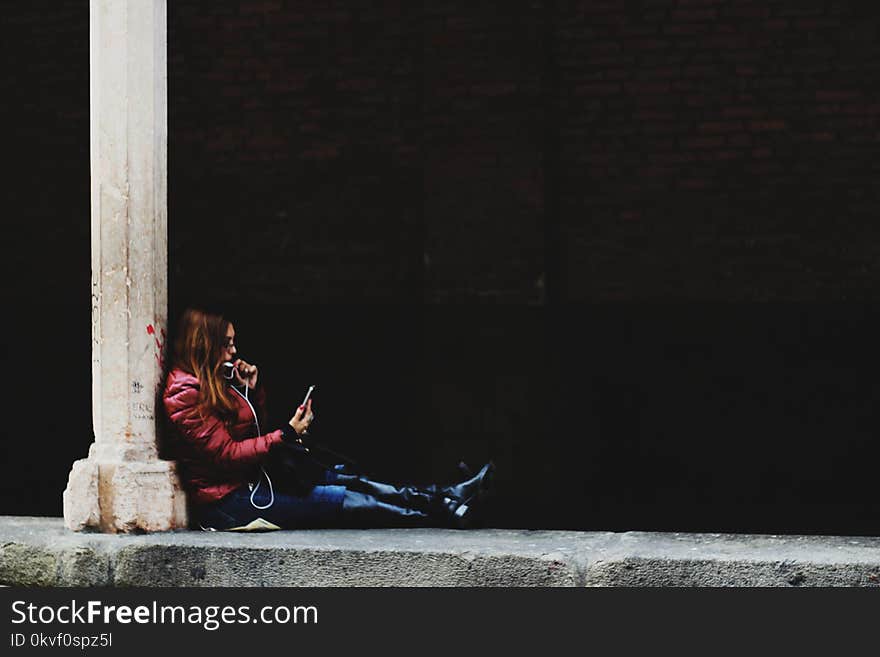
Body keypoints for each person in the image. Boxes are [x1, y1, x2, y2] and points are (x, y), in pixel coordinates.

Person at [162, 308, 494, 532]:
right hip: (229, 504)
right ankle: (447, 514)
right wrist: (288, 433)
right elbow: (226, 455)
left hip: (254, 482)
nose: (233, 352)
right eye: (227, 344)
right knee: (340, 499)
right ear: (204, 345)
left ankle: (447, 496)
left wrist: (251, 391)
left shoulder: (213, 383)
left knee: (347, 479)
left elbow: (251, 433)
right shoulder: (184, 393)